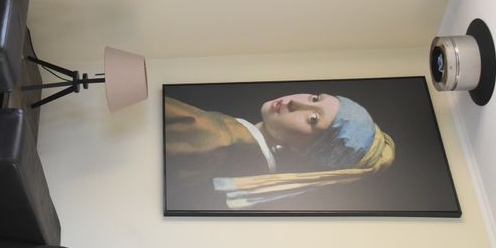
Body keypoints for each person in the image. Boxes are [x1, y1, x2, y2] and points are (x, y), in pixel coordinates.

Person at [164, 92, 395, 210]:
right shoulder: (239, 154)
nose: (295, 103)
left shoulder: (211, 135)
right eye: (315, 98)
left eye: (313, 119)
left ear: (304, 151)